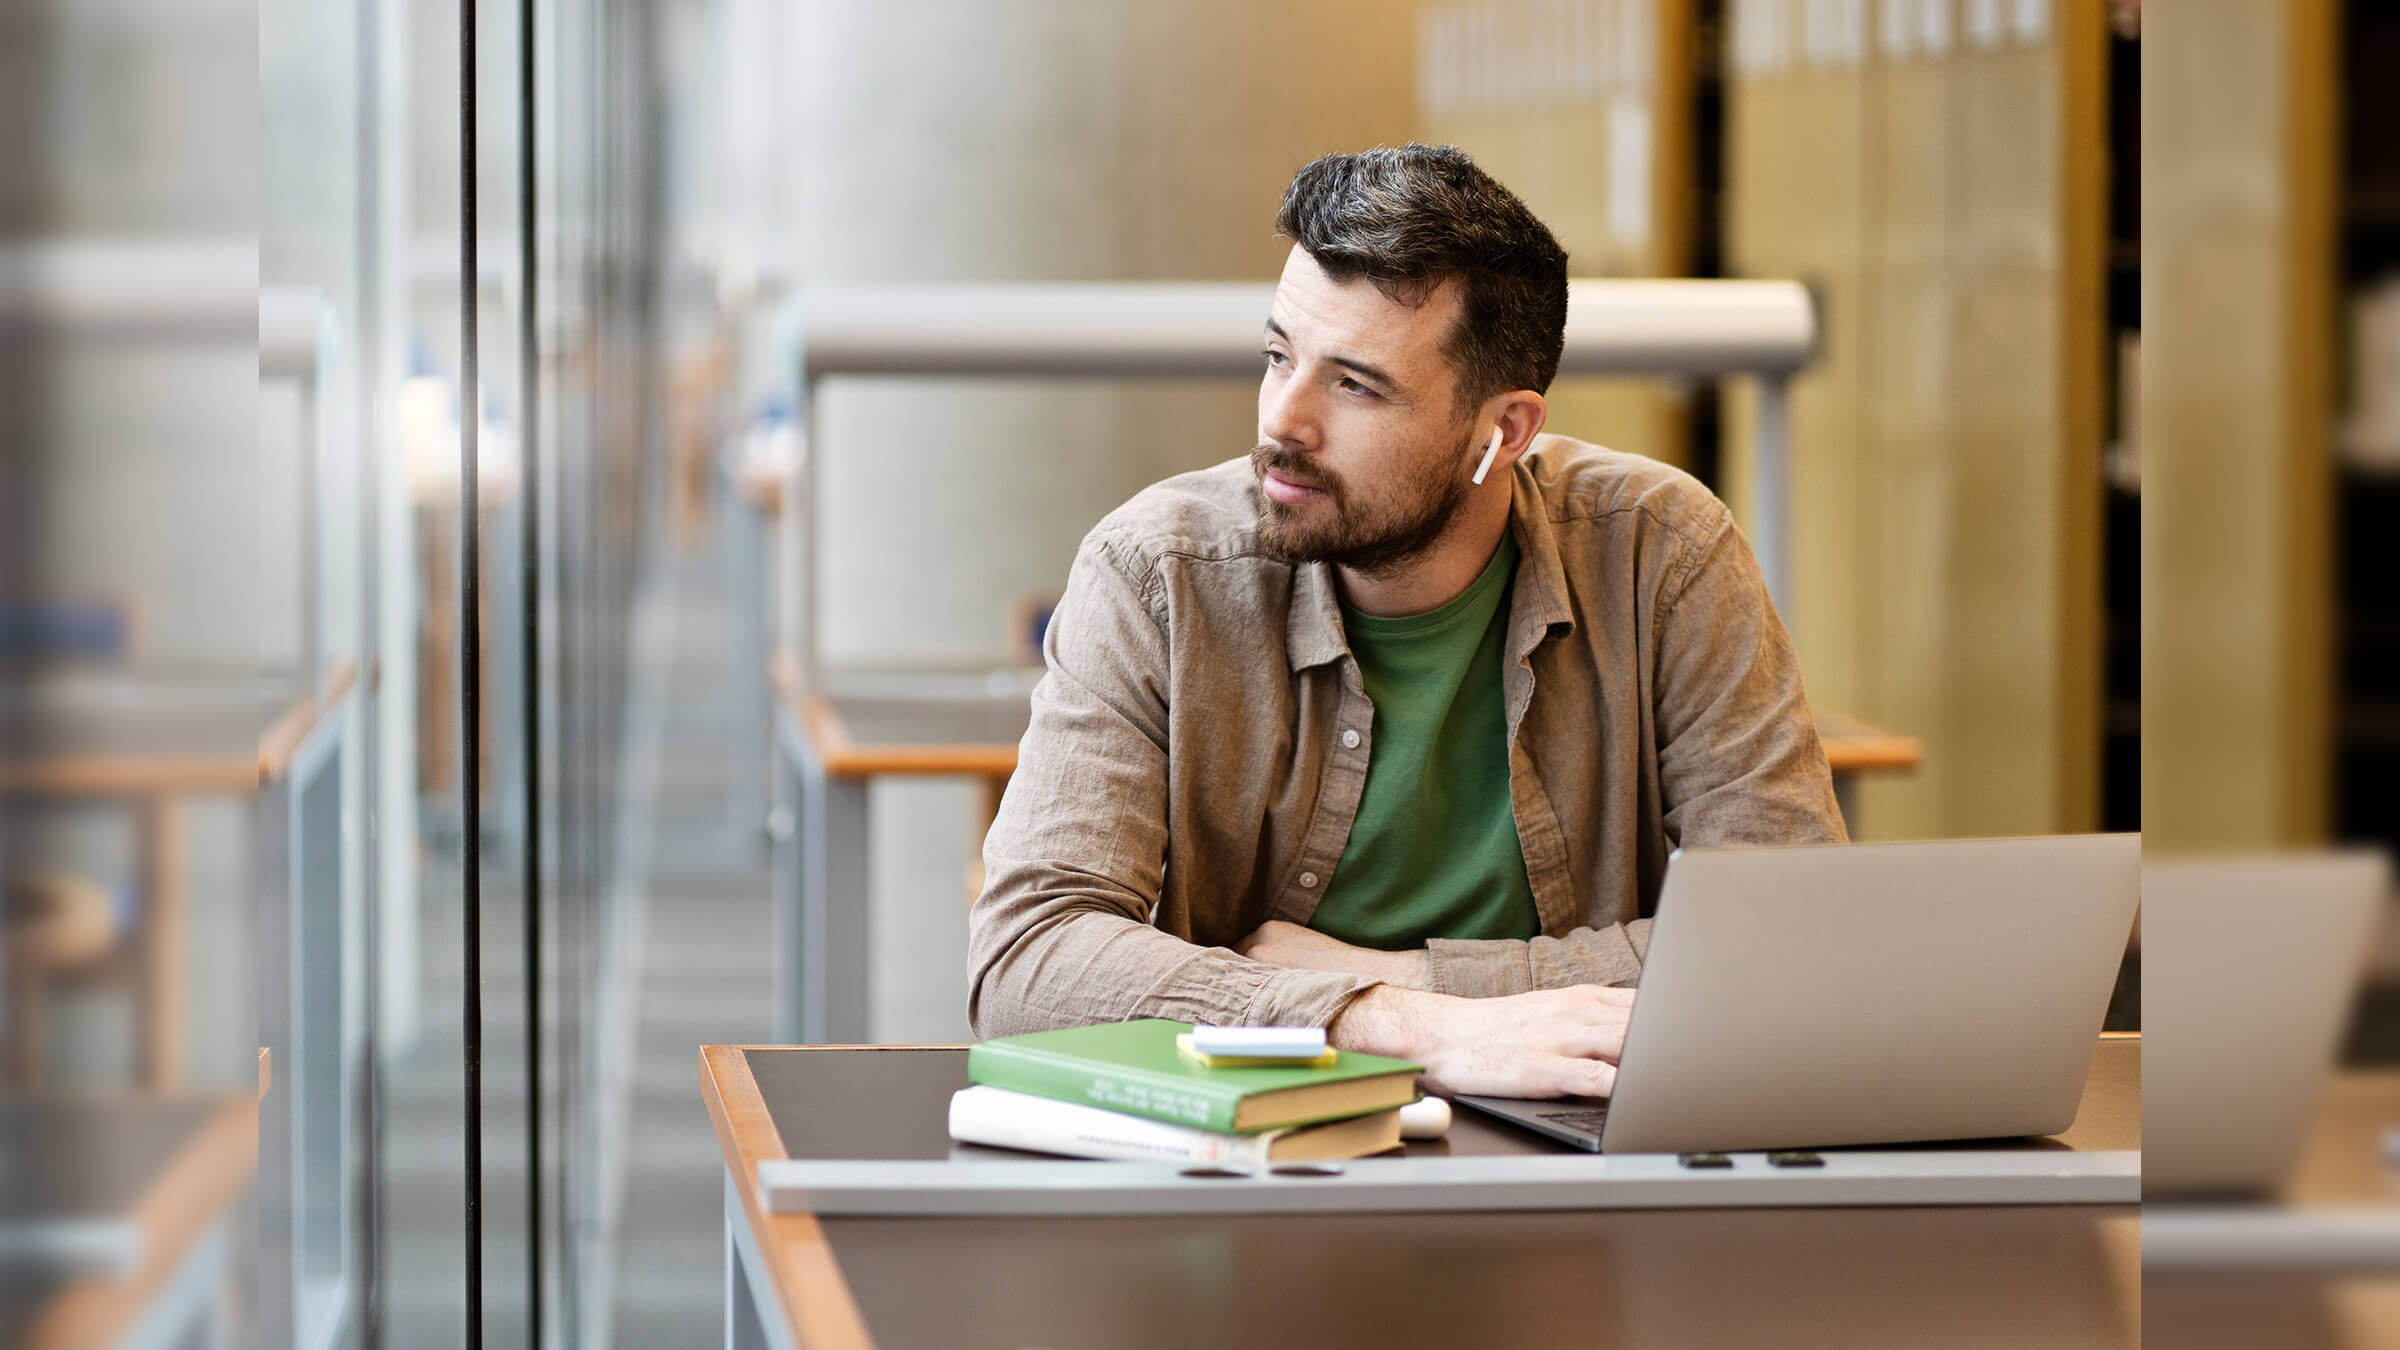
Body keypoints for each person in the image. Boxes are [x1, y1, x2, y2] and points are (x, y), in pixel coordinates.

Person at [967, 144, 1844, 1099]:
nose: (1282, 424)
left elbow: (1789, 945)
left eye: (1355, 386)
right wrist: (1393, 1022)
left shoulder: (1661, 553)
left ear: (1503, 432)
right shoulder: (1156, 575)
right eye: (1277, 357)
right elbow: (1026, 959)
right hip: (1262, 1156)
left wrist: (1414, 979)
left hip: (1571, 1157)